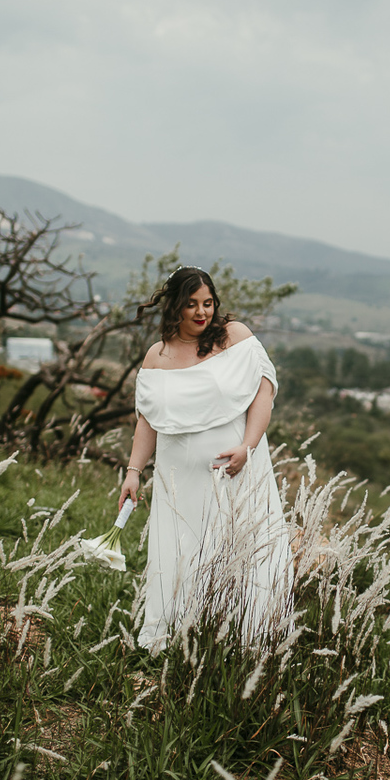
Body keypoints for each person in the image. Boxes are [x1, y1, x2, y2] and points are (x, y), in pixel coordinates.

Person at [120, 266, 292, 651]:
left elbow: (263, 393)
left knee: (241, 545)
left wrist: (247, 446)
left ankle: (249, 634)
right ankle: (180, 633)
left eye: (208, 303)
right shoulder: (156, 356)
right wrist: (134, 472)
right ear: (175, 307)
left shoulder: (236, 337)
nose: (202, 313)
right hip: (179, 475)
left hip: (236, 468)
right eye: (192, 305)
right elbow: (148, 420)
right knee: (185, 549)